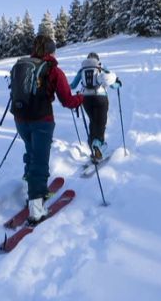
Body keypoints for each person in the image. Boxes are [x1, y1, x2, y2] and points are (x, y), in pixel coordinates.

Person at [12, 35, 84, 225]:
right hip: (42, 121)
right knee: (40, 162)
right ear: (52, 51)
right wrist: (81, 99)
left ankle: (35, 192)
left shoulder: (22, 65)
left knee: (31, 155)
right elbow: (67, 100)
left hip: (20, 120)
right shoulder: (54, 70)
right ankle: (36, 209)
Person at [71, 52, 122, 162]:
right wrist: (118, 84)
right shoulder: (101, 67)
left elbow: (73, 85)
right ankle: (98, 146)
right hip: (101, 98)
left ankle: (94, 146)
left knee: (93, 121)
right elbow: (112, 84)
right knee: (101, 123)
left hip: (86, 99)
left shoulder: (82, 70)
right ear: (97, 59)